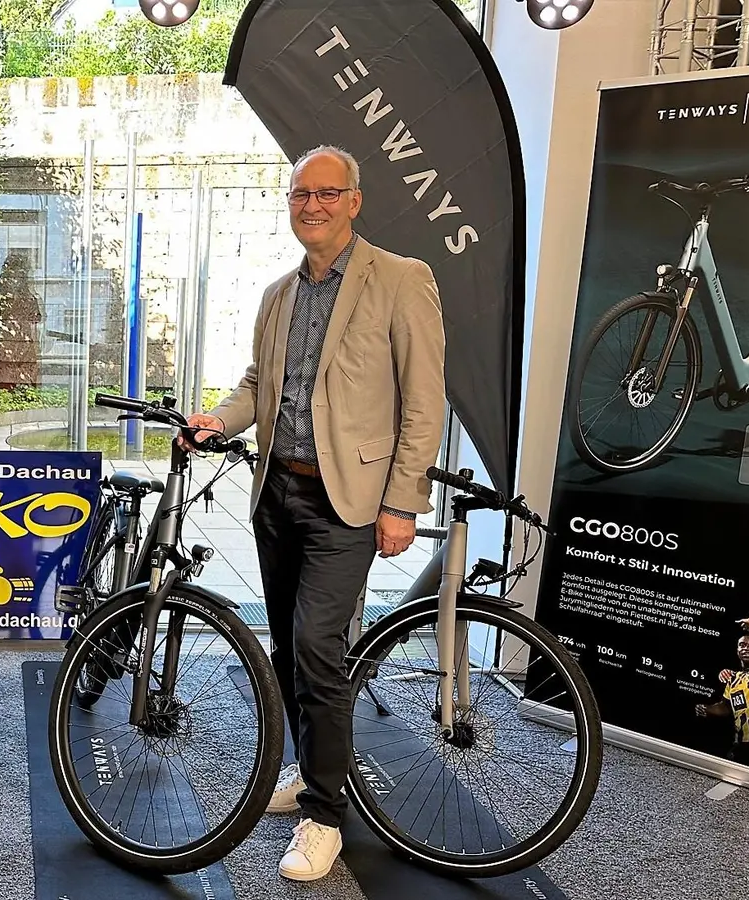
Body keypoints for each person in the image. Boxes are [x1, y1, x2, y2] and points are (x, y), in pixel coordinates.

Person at [183, 146, 446, 882]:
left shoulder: (401, 280)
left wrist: (403, 500)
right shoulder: (278, 294)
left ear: (355, 201)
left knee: (317, 651)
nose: (313, 206)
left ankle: (326, 815)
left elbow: (424, 403)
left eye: (328, 193)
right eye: (301, 194)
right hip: (278, 493)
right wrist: (217, 421)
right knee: (285, 651)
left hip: (348, 503)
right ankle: (307, 770)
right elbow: (258, 383)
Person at [696, 630, 749, 766]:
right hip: (742, 743)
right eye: (742, 645)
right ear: (737, 649)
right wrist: (708, 708)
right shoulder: (734, 679)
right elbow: (725, 707)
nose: (747, 649)